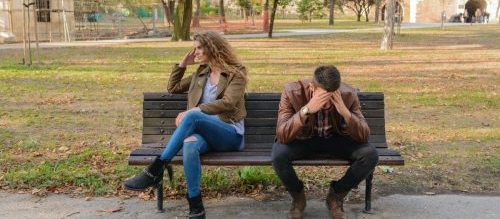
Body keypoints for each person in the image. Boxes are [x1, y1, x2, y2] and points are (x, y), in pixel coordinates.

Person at [123, 31, 247, 219]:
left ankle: (156, 168)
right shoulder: (201, 72)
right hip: (205, 135)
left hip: (230, 134)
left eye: (198, 48)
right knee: (189, 143)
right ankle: (196, 205)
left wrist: (195, 111)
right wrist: (182, 65)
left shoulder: (236, 73)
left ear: (212, 48)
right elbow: (173, 88)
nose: (195, 52)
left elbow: (228, 103)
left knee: (192, 117)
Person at [271, 66, 378, 219]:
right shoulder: (292, 92)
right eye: (323, 98)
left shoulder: (348, 94)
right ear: (312, 87)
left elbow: (364, 136)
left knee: (370, 154)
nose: (327, 104)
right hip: (304, 140)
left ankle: (336, 195)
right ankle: (298, 197)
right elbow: (282, 135)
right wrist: (306, 110)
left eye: (331, 97)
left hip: (335, 139)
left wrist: (345, 112)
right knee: (278, 155)